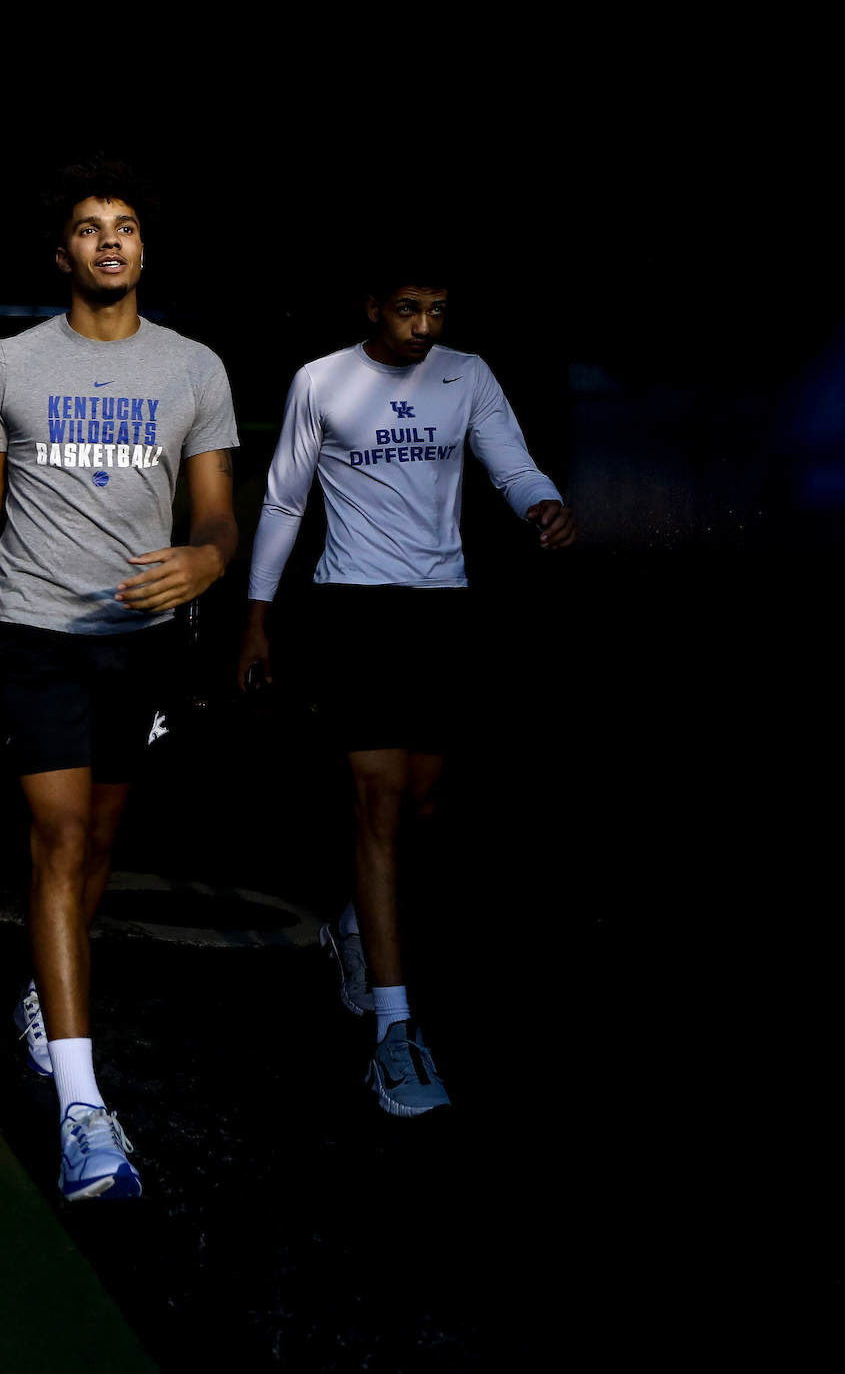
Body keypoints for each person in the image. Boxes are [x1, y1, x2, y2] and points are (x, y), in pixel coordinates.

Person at [0, 157, 240, 1200]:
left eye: (125, 225)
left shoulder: (194, 369)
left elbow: (215, 510)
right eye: (89, 226)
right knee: (59, 838)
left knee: (102, 842)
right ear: (63, 251)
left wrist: (209, 559)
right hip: (34, 636)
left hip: (144, 644)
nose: (109, 240)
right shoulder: (8, 366)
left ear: (143, 249)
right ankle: (83, 1108)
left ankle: (49, 985)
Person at [236, 280, 576, 1116]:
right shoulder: (322, 380)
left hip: (441, 611)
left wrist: (544, 504)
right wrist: (257, 618)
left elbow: (513, 464)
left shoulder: (468, 375)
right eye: (407, 310)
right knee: (379, 804)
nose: (425, 328)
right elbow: (285, 498)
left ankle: (354, 923)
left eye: (439, 310)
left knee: (420, 806)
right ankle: (396, 1031)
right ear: (368, 307)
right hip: (354, 608)